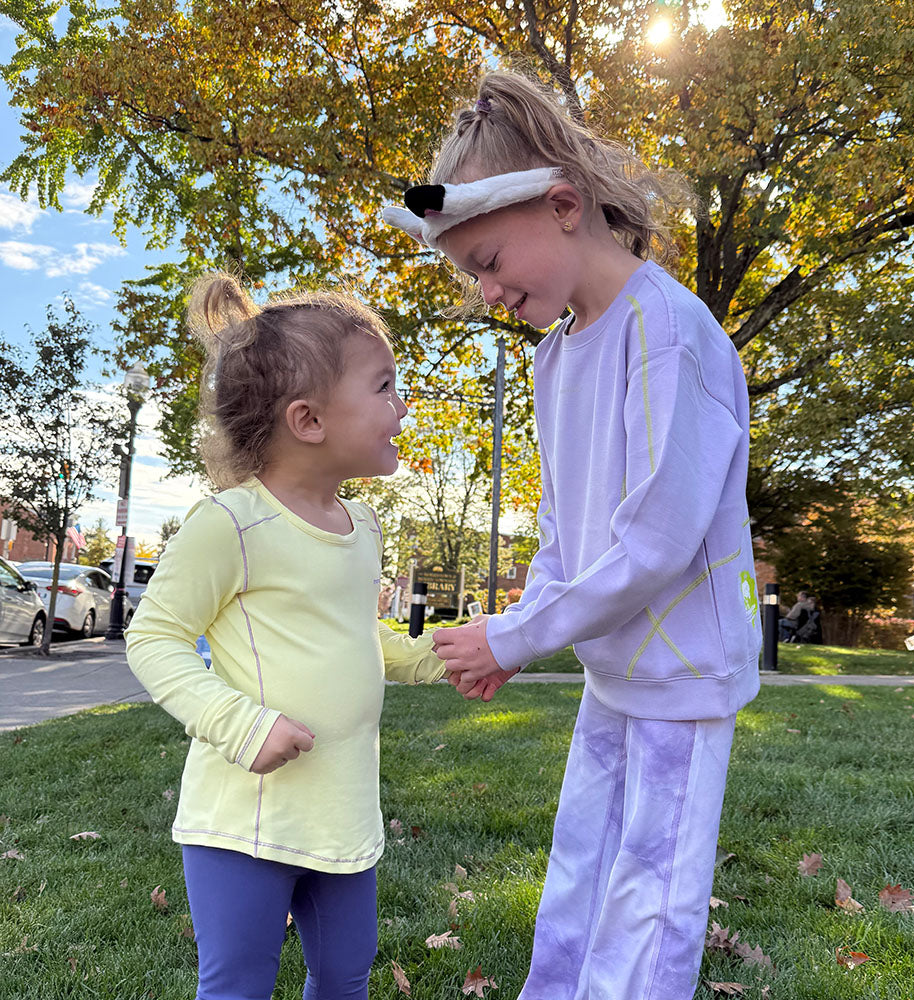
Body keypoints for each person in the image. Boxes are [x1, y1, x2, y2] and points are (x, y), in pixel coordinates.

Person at [385, 72, 761, 1000]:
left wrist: (520, 635)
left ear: (562, 206)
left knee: (651, 895)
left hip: (682, 674)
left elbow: (657, 541)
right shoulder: (555, 359)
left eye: (487, 261)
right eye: (470, 275)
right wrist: (523, 631)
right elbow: (562, 532)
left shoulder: (668, 331)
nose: (485, 292)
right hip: (611, 669)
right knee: (582, 865)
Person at [125, 275, 447, 1000]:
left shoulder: (362, 527)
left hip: (341, 815)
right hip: (243, 822)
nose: (402, 405)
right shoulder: (232, 524)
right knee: (238, 985)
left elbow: (355, 634)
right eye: (384, 386)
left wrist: (440, 656)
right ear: (309, 419)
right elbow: (154, 637)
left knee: (345, 977)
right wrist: (239, 725)